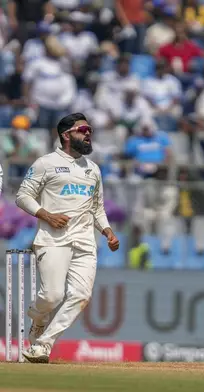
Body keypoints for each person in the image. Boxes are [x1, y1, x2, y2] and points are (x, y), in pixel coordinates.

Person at [15, 113, 120, 363]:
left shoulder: (92, 169)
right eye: (82, 129)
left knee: (81, 296)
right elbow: (22, 196)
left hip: (85, 241)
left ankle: (43, 345)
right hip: (53, 239)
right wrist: (47, 215)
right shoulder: (46, 163)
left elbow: (97, 208)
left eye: (89, 130)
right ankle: (37, 317)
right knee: (51, 296)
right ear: (66, 135)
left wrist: (107, 231)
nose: (88, 134)